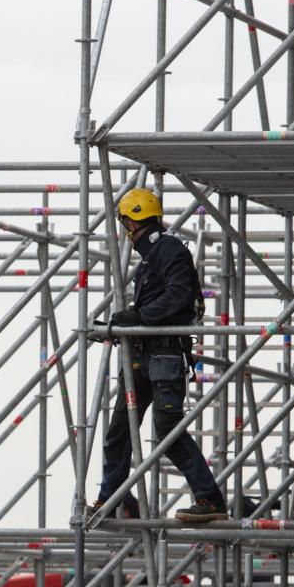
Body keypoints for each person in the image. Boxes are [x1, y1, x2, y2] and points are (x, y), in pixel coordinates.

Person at [92, 188, 227, 523]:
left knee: (167, 428)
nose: (125, 230)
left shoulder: (169, 250)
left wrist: (140, 316)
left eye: (125, 222)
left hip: (164, 354)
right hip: (143, 355)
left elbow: (180, 296)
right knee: (120, 430)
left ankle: (209, 499)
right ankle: (111, 500)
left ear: (133, 220)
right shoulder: (154, 255)